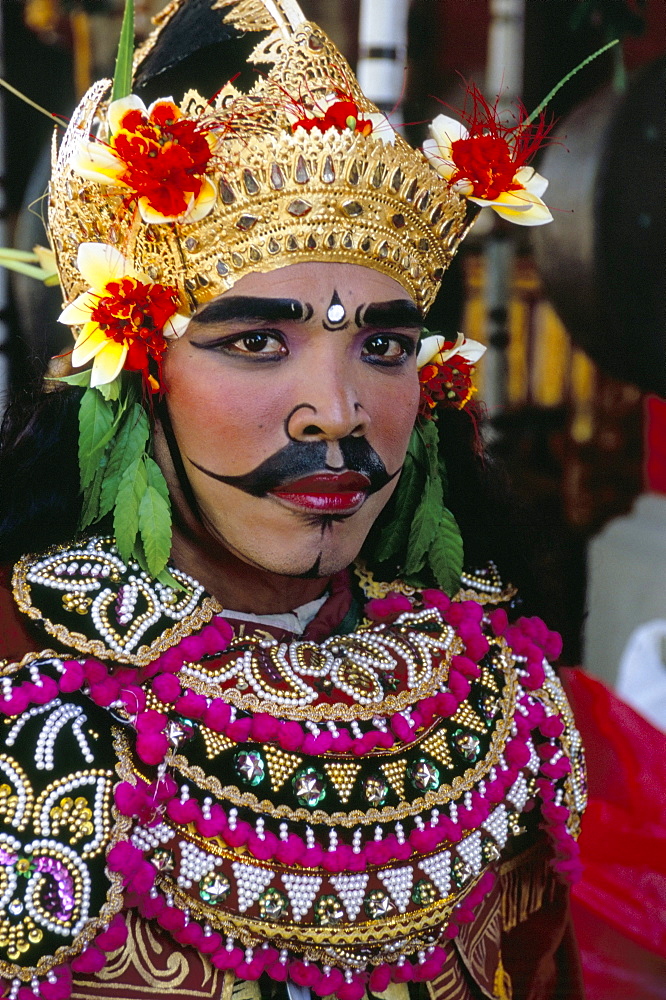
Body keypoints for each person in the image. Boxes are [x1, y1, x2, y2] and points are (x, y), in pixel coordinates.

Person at [0, 1, 586, 998]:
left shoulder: (503, 702)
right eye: (257, 342)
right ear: (137, 370)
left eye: (386, 345)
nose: (336, 410)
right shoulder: (26, 682)